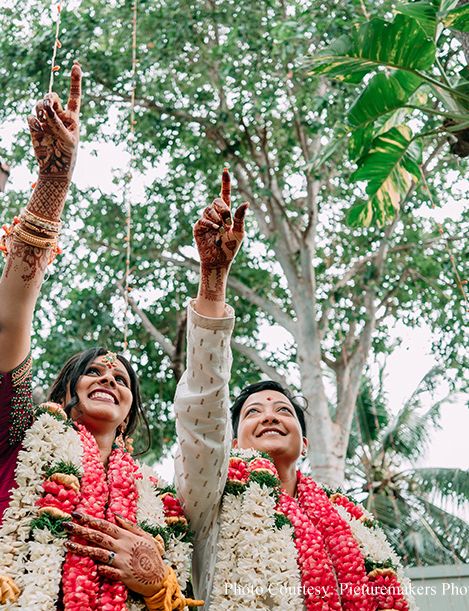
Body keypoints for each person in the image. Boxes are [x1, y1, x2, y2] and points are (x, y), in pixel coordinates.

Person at [0, 65, 197, 611]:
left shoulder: (157, 500)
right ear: (65, 392)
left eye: (122, 379)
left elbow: (181, 595)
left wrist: (157, 583)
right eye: (94, 371)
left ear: (130, 414)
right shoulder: (14, 437)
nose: (110, 377)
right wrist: (53, 185)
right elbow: (8, 322)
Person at [174, 192, 416, 610]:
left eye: (283, 411)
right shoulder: (209, 495)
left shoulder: (348, 522)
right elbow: (202, 408)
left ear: (305, 443)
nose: (270, 416)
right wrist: (213, 278)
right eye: (253, 412)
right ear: (230, 443)